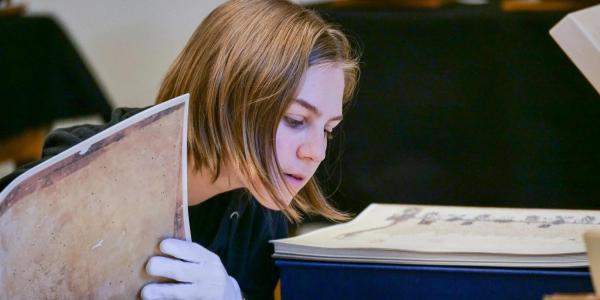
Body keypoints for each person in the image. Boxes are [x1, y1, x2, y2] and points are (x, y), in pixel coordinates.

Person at [0, 0, 359, 299]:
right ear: (227, 98)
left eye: (328, 129)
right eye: (295, 120)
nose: (316, 152)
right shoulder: (85, 168)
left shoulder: (262, 210)